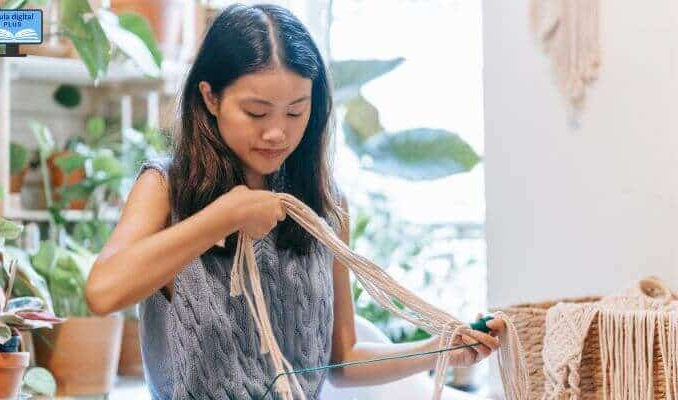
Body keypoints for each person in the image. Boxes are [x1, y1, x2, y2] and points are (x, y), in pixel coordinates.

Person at [85, 4, 505, 399]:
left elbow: (342, 359)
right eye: (256, 112)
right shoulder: (166, 187)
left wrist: (439, 350)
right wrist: (225, 215)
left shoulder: (324, 206)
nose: (276, 133)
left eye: (295, 112)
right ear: (210, 98)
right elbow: (103, 292)